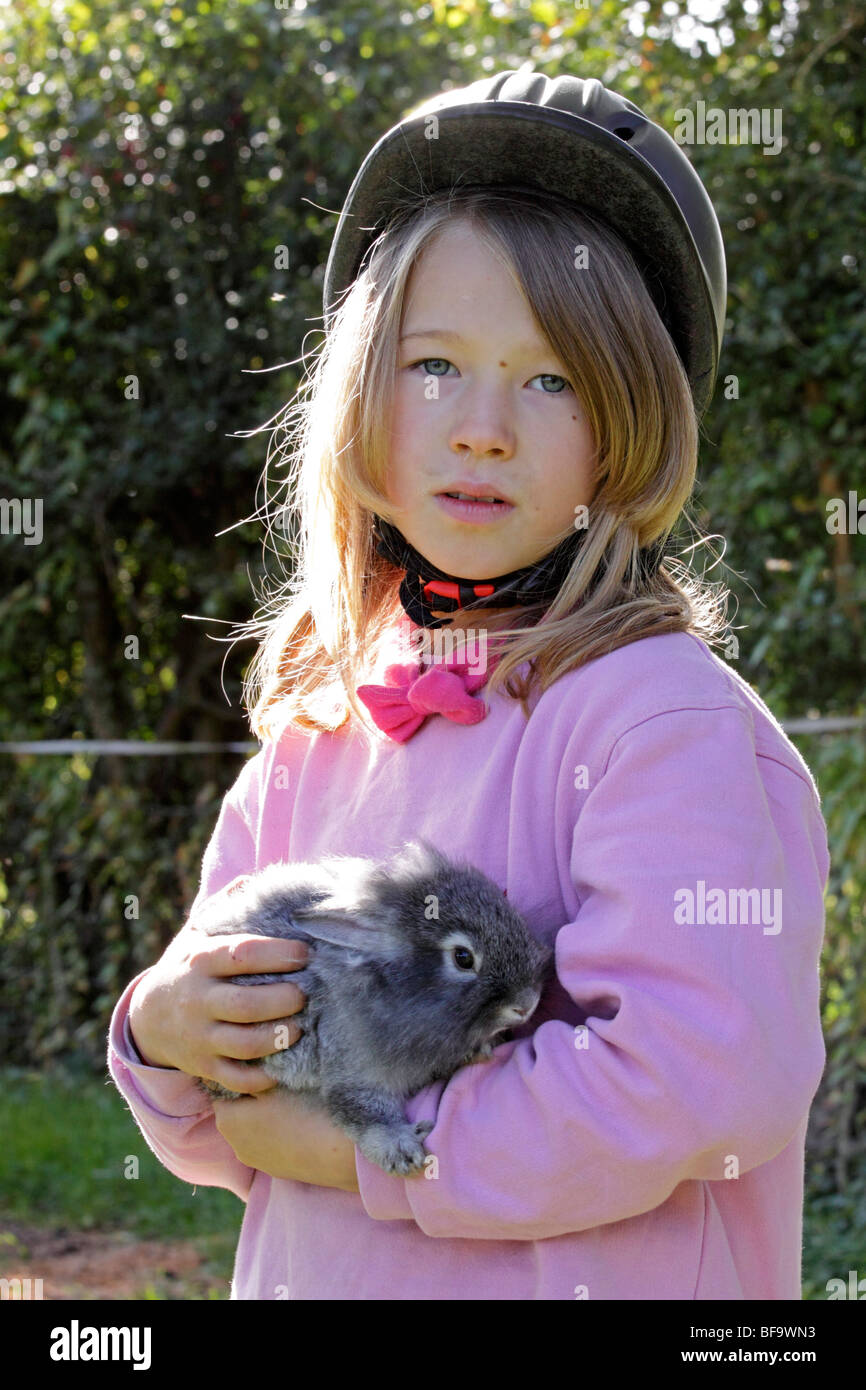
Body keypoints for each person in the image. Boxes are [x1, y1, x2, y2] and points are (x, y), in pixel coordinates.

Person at [107, 70, 829, 1300]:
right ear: (358, 394)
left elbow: (701, 1079)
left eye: (550, 380)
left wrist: (376, 1152)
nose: (481, 425)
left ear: (628, 430)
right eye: (433, 364)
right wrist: (164, 1034)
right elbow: (230, 1122)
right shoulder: (318, 731)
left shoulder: (662, 723)